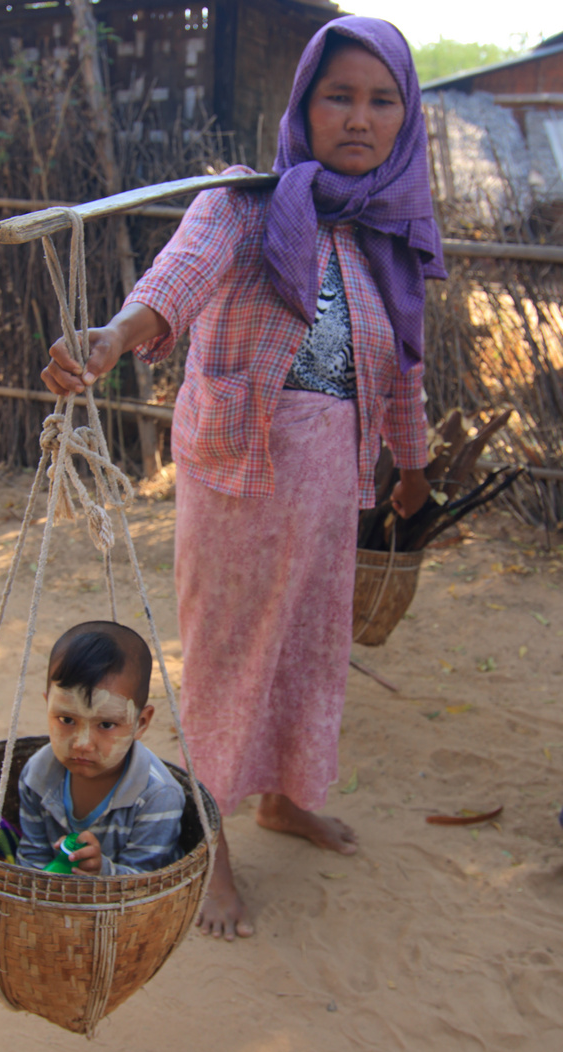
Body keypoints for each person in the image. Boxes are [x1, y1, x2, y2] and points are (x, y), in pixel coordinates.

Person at [42, 17, 446, 935]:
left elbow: (406, 367)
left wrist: (412, 467)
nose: (359, 117)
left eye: (382, 100)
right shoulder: (246, 202)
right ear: (303, 104)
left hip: (331, 481)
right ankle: (207, 839)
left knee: (308, 650)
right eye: (338, 95)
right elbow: (177, 281)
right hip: (242, 475)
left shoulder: (388, 227)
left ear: (406, 115)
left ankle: (284, 797)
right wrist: (110, 338)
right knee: (228, 659)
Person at [16, 620, 186, 875]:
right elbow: (31, 857)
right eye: (66, 720)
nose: (82, 743)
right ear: (48, 705)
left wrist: (101, 872)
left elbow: (145, 882)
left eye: (106, 724)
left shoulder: (157, 797)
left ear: (140, 723)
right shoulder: (38, 774)